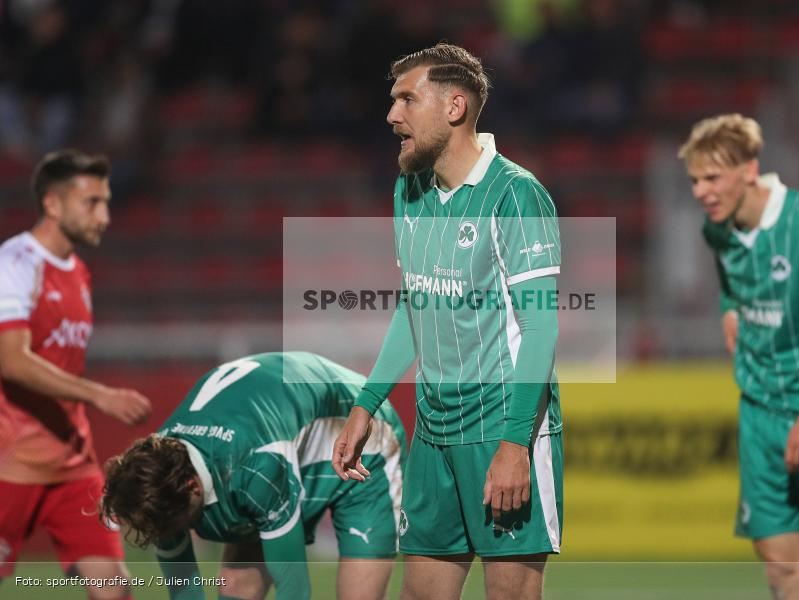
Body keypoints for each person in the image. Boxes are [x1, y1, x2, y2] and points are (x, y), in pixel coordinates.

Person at [332, 43, 563, 600]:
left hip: (502, 429)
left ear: (455, 107)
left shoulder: (516, 194)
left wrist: (515, 446)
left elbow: (541, 329)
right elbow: (417, 305)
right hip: (434, 432)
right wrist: (366, 403)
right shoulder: (409, 189)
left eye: (407, 100)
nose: (392, 115)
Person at [680, 114, 799, 600]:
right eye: (695, 181)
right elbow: (731, 277)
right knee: (783, 573)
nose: (702, 192)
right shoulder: (717, 230)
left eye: (712, 178)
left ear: (749, 170)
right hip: (759, 415)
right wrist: (729, 308)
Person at [100, 352, 406, 600]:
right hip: (280, 442)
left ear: (193, 487)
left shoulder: (254, 469)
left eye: (177, 526)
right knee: (236, 586)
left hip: (362, 440)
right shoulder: (156, 477)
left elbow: (294, 590)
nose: (168, 534)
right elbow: (184, 590)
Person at [0, 149, 151, 599]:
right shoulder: (15, 264)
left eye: (106, 202)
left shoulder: (79, 273)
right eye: (91, 203)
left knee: (115, 589)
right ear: (52, 203)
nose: (104, 216)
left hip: (73, 466)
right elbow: (11, 360)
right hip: (10, 464)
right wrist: (100, 395)